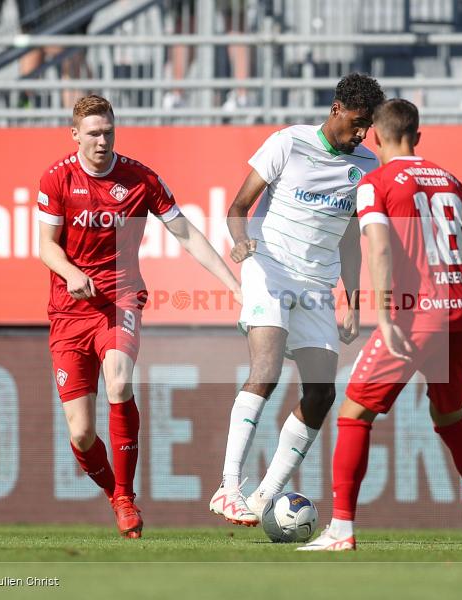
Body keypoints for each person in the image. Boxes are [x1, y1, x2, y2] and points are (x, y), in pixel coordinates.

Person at [298, 99, 462, 552]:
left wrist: (388, 315)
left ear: (374, 135)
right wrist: (458, 306)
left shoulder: (375, 183)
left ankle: (342, 531)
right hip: (459, 313)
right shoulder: (452, 181)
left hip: (413, 316)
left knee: (354, 414)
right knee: (450, 419)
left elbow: (379, 249)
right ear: (418, 133)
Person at [38, 95, 241, 538]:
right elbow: (45, 246)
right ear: (75, 135)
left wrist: (234, 285)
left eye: (108, 132)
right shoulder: (57, 178)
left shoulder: (139, 178)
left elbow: (185, 233)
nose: (102, 141)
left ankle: (126, 496)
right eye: (93, 133)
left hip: (119, 299)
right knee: (81, 434)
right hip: (70, 312)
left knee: (119, 381)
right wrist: (70, 272)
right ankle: (115, 495)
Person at [209, 73, 385, 526]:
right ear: (336, 110)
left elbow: (350, 239)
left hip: (317, 285)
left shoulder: (366, 166)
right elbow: (238, 205)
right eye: (358, 123)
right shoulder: (289, 142)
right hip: (268, 267)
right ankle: (228, 487)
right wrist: (239, 240)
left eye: (369, 126)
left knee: (323, 392)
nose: (363, 134)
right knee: (265, 369)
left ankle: (265, 496)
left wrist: (353, 300)